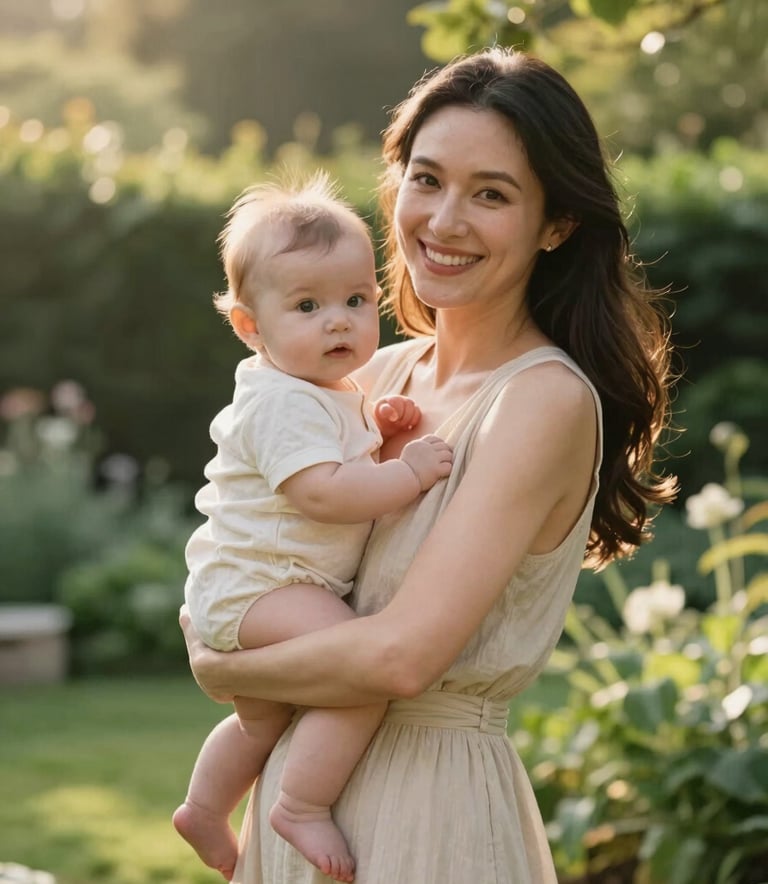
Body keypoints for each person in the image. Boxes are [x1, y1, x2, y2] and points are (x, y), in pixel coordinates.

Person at [179, 47, 678, 884]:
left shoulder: (543, 402)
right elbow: (253, 530)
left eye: (491, 194)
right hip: (299, 805)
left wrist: (221, 665)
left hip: (427, 812)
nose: (444, 221)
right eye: (427, 178)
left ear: (556, 224)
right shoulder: (369, 377)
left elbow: (402, 660)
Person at [173, 174, 454, 883]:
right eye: (307, 305)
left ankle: (204, 808)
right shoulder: (279, 404)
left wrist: (377, 432)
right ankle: (300, 801)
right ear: (250, 326)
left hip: (260, 584)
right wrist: (409, 472)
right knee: (358, 671)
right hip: (265, 583)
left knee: (263, 721)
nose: (339, 321)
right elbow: (324, 493)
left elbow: (339, 452)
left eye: (356, 300)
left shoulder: (322, 391)